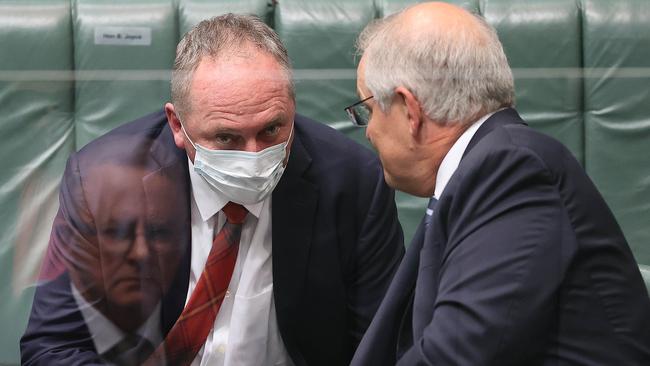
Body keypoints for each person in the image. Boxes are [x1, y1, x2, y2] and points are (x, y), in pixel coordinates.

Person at [21, 14, 404, 366]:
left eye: (272, 129)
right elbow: (52, 347)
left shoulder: (354, 181)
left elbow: (382, 346)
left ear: (291, 105)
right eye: (226, 136)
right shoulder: (101, 184)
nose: (255, 155)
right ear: (177, 125)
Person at [348, 2, 650, 365]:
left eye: (368, 109)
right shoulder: (486, 168)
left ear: (409, 110)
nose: (368, 131)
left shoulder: (510, 169)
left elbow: (455, 353)